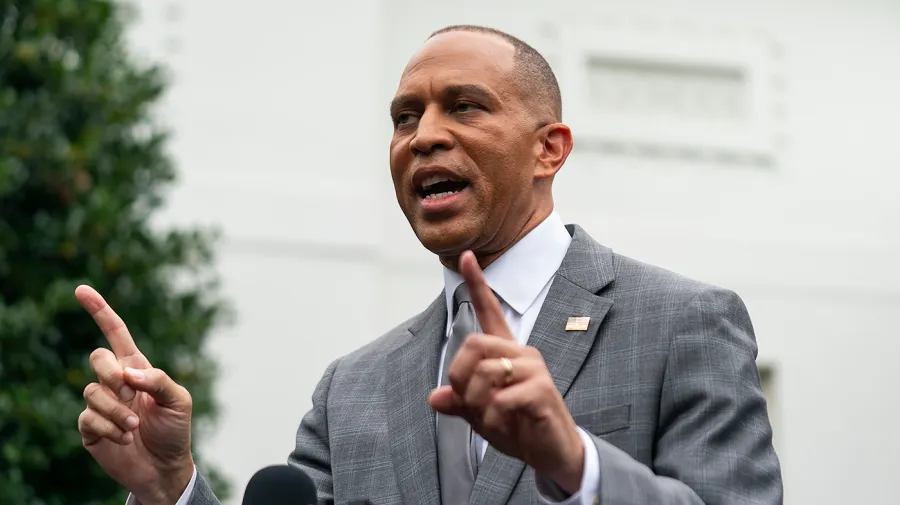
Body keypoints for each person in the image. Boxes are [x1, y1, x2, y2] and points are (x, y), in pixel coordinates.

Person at [76, 25, 783, 505]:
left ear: (550, 148)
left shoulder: (683, 322)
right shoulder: (351, 388)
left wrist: (576, 461)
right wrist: (172, 486)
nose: (425, 137)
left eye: (465, 107)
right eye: (405, 117)